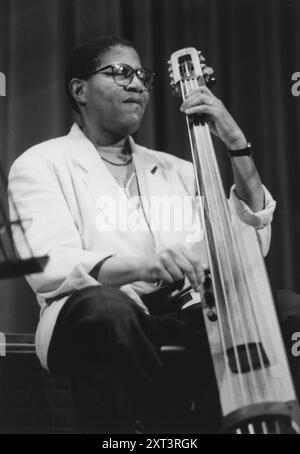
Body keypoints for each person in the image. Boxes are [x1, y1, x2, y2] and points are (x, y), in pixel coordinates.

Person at [8, 35, 298, 433]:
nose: (138, 85)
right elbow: (47, 265)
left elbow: (246, 241)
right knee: (108, 311)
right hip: (93, 318)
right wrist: (142, 267)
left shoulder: (178, 168)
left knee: (283, 309)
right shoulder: (41, 164)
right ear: (80, 90)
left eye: (142, 75)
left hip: (182, 316)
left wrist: (235, 145)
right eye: (120, 73)